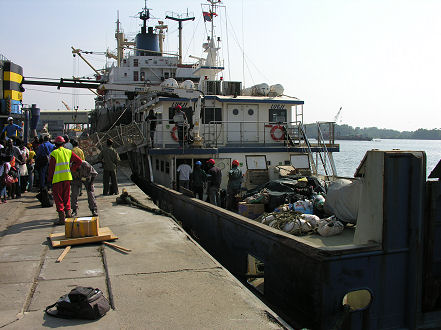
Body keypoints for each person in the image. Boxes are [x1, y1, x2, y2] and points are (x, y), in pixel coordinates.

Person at [48, 136, 82, 225]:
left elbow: (51, 169)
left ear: (55, 144)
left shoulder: (54, 154)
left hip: (57, 179)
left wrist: (49, 179)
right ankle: (68, 214)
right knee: (66, 197)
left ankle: (61, 217)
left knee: (58, 198)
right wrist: (72, 168)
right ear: (63, 144)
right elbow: (79, 161)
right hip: (67, 178)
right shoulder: (68, 152)